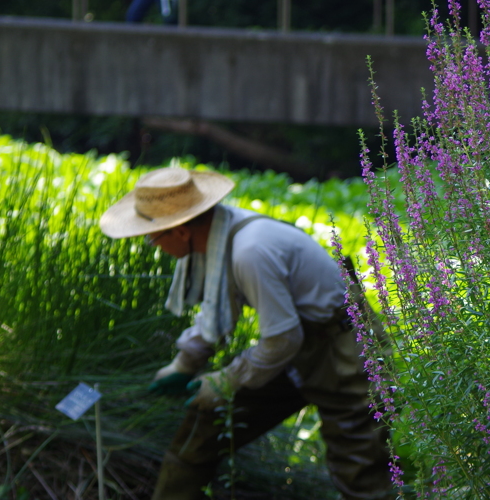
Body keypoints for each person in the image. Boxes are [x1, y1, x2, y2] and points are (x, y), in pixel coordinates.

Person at [99, 167, 391, 499]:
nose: (153, 245)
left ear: (179, 231)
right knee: (204, 426)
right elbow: (216, 312)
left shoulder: (250, 250)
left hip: (344, 351)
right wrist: (183, 365)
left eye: (153, 237)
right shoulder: (215, 237)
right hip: (296, 350)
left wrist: (224, 381)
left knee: (360, 467)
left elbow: (283, 340)